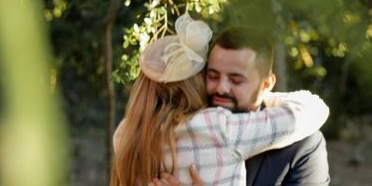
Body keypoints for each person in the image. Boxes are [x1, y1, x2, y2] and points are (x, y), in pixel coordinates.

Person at [110, 13, 329, 186]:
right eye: (212, 76)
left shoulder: (305, 145)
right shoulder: (209, 125)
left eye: (236, 80)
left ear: (266, 84)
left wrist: (269, 100)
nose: (221, 88)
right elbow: (312, 108)